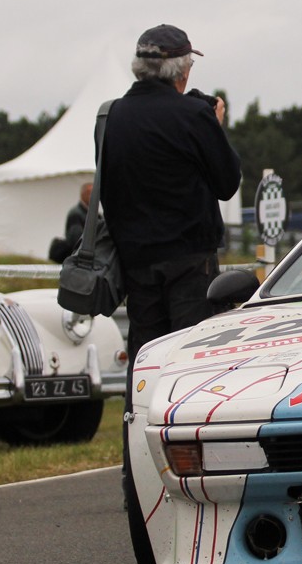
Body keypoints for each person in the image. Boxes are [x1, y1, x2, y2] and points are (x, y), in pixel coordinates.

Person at [101, 24, 242, 362]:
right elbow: (227, 183)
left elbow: (108, 187)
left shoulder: (111, 115)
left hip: (136, 262)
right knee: (191, 359)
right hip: (189, 260)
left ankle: (138, 415)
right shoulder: (193, 115)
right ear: (182, 70)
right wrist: (215, 129)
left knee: (146, 360)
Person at [49, 182, 93, 263]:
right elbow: (76, 239)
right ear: (82, 194)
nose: (92, 196)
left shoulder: (93, 214)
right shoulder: (76, 214)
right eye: (89, 193)